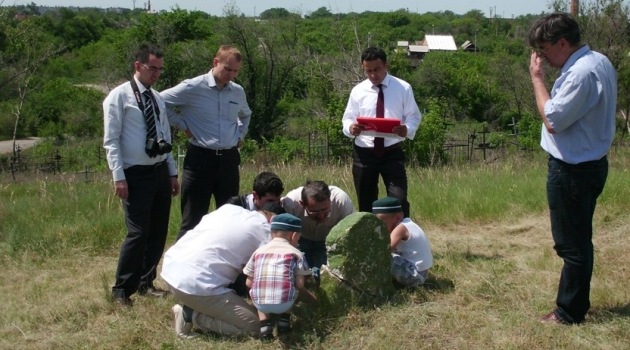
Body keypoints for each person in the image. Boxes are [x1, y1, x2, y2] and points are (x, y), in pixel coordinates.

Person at [528, 13, 616, 325]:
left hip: (573, 171)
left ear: (563, 43)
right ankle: (572, 305)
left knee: (572, 245)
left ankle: (569, 312)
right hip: (589, 165)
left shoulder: (581, 73)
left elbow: (552, 119)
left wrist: (537, 80)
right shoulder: (599, 61)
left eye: (544, 49)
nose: (542, 58)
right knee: (576, 240)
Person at [103, 44, 180, 306]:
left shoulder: (157, 97)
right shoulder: (119, 97)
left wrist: (172, 172)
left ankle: (146, 282)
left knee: (158, 231)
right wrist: (118, 175)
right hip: (134, 173)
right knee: (137, 233)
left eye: (160, 69)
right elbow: (111, 140)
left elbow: (164, 137)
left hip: (158, 171)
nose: (156, 74)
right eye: (152, 68)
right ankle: (122, 290)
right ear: (138, 66)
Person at [160, 45, 252, 240]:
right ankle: (182, 266)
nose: (231, 75)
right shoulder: (193, 86)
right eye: (227, 69)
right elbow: (159, 101)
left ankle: (225, 266)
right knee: (192, 219)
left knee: (229, 216)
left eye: (235, 71)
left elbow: (246, 114)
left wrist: (240, 135)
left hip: (228, 159)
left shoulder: (237, 91)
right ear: (215, 62)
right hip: (200, 158)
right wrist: (182, 124)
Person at [161, 203, 283, 338]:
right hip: (196, 286)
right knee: (255, 327)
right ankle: (190, 315)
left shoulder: (229, 208)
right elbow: (269, 276)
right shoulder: (266, 231)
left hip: (170, 269)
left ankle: (194, 307)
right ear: (274, 221)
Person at [342, 46, 421, 218]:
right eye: (368, 71)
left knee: (398, 200)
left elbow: (414, 117)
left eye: (376, 69)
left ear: (386, 65)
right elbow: (347, 119)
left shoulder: (403, 88)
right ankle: (370, 240)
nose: (373, 75)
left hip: (392, 151)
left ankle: (401, 238)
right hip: (364, 153)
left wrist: (406, 129)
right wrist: (351, 128)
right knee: (366, 202)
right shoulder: (358, 91)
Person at [243, 213, 317, 340]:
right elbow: (299, 285)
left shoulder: (258, 252)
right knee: (290, 286)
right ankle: (284, 323)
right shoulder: (296, 253)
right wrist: (313, 299)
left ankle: (265, 328)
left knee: (260, 289)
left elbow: (248, 283)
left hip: (260, 304)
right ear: (294, 236)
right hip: (285, 303)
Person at [281, 180, 354, 282]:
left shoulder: (341, 202)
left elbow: (351, 235)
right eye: (314, 212)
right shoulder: (291, 204)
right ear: (302, 204)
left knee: (324, 276)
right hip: (299, 242)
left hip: (327, 243)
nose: (320, 216)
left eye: (325, 210)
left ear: (330, 201)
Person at [372, 197, 432, 287]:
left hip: (415, 276)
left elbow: (386, 250)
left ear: (398, 217)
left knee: (385, 255)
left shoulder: (401, 228)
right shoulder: (408, 224)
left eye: (383, 222)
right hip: (420, 273)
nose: (380, 226)